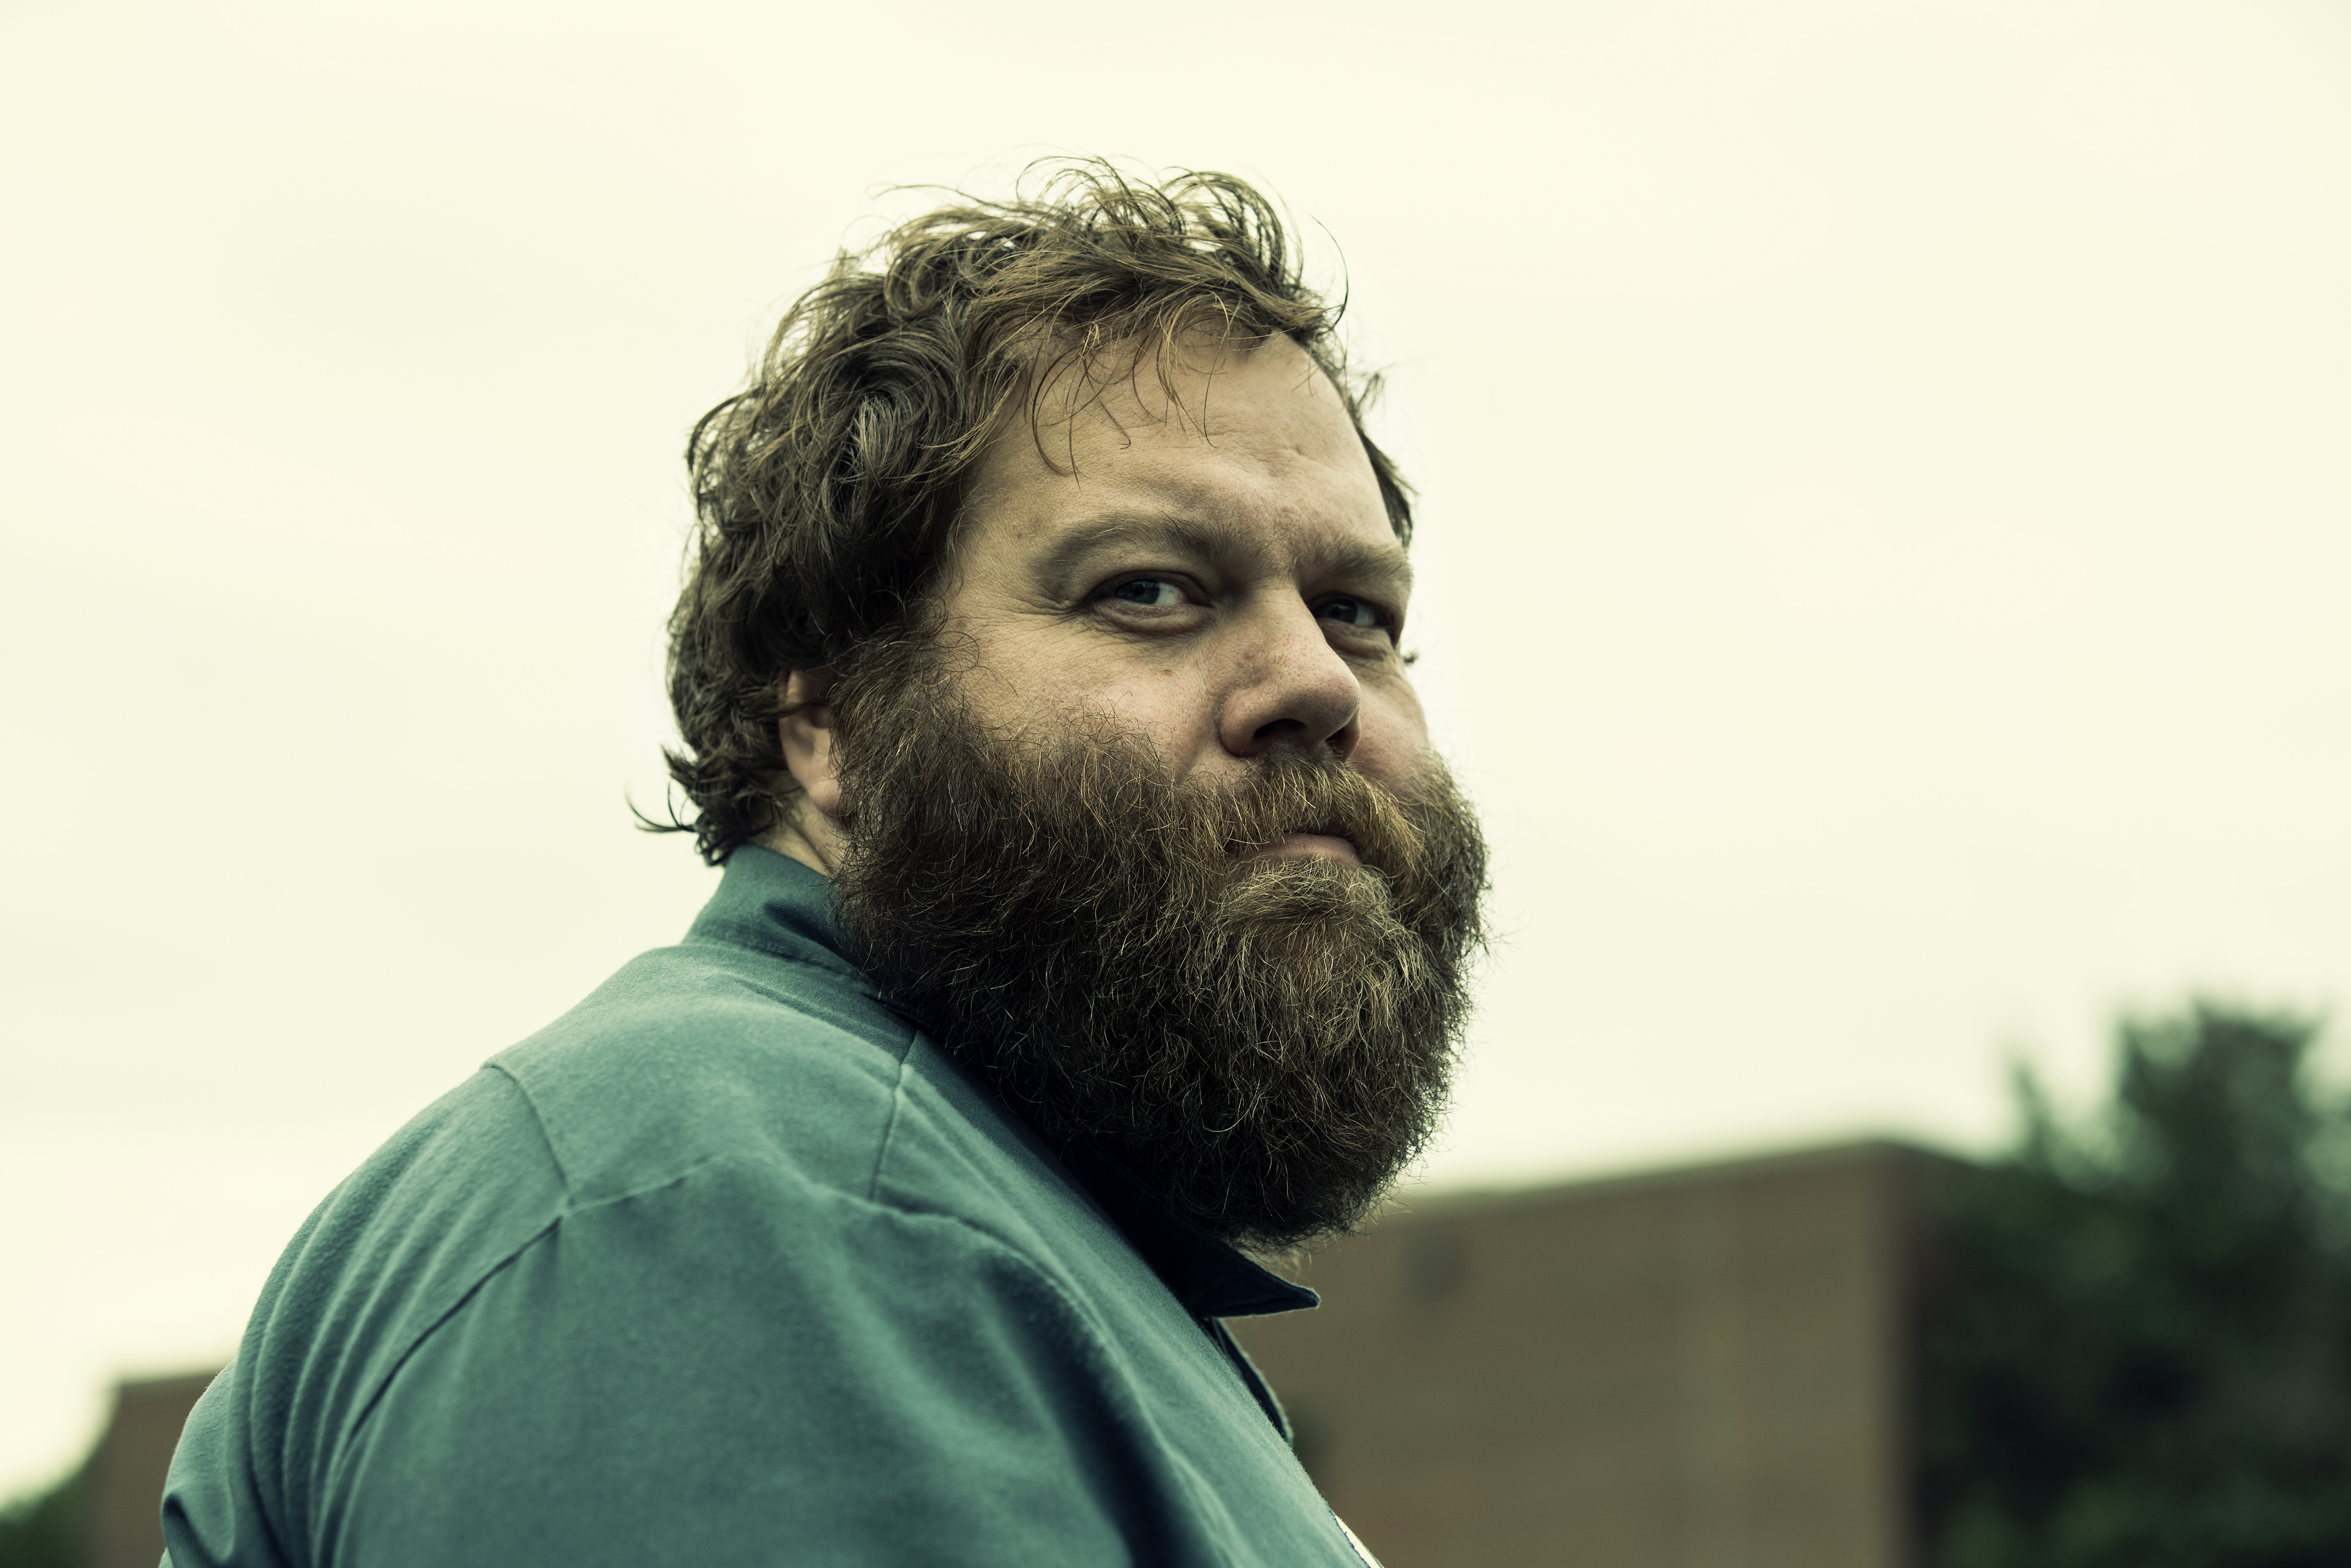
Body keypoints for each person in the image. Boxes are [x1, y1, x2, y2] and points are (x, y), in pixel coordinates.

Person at [160, 161, 1488, 1567]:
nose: (1314, 681)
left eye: (1357, 612)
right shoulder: (747, 1201)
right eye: (1147, 589)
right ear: (832, 726)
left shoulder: (976, 1218)